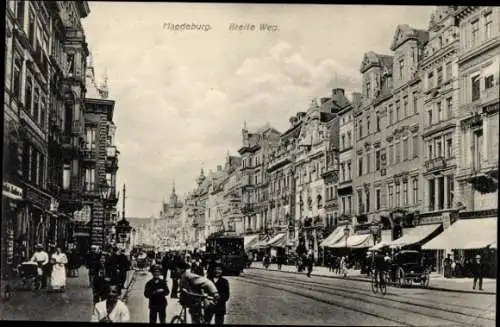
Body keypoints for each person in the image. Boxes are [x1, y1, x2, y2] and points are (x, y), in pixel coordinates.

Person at [176, 257, 219, 324]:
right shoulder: (182, 276)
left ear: (181, 269)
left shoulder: (189, 275)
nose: (176, 270)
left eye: (177, 269)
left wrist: (214, 292)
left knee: (196, 319)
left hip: (195, 300)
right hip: (189, 300)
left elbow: (206, 282)